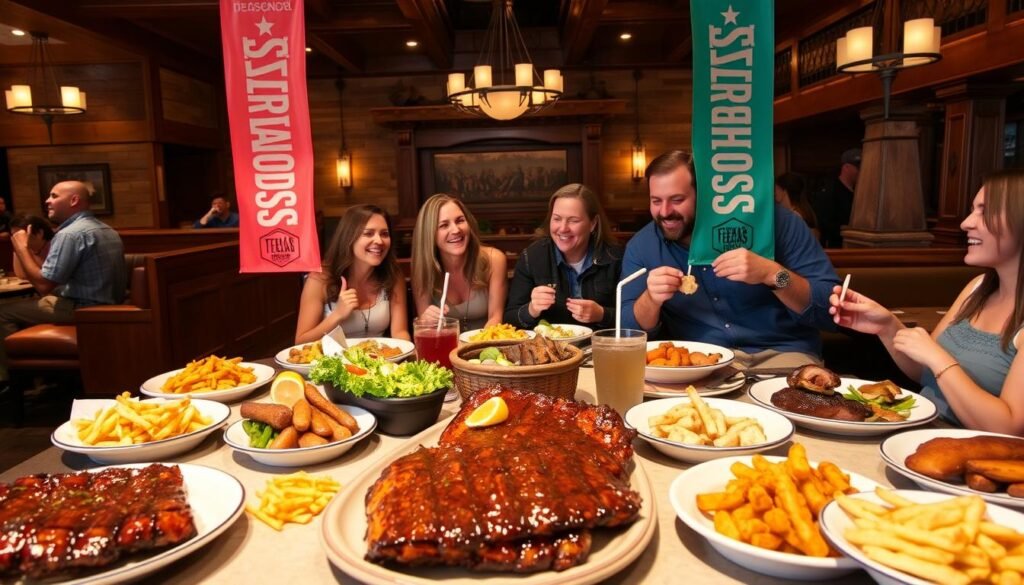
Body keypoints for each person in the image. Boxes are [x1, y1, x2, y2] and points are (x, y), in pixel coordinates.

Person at [830, 169, 1024, 433]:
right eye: (972, 210)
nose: (966, 222)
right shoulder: (977, 287)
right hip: (921, 430)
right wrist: (887, 326)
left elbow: (1008, 428)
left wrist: (939, 359)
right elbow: (925, 372)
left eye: (984, 211)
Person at [620, 150, 840, 368]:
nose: (665, 212)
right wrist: (651, 299)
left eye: (677, 200)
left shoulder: (779, 223)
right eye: (656, 201)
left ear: (704, 194)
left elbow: (827, 310)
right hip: (704, 363)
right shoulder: (643, 246)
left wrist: (772, 274)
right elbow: (627, 330)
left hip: (783, 355)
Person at [0, 180, 126, 381]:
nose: (47, 201)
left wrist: (22, 248)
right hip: (110, 305)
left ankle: (13, 381)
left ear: (74, 200)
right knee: (37, 303)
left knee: (4, 312)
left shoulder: (70, 234)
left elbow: (43, 285)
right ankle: (47, 377)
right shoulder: (106, 229)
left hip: (84, 310)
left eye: (54, 196)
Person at [504, 183, 623, 329]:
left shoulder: (615, 257)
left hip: (601, 347)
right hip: (549, 349)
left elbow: (635, 319)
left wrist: (602, 314)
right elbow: (509, 320)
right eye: (557, 219)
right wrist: (531, 309)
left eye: (573, 220)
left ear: (593, 223)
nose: (563, 228)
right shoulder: (532, 257)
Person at [294, 204, 409, 343]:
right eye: (368, 233)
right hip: (333, 362)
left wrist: (408, 351)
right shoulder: (320, 279)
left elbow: (400, 332)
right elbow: (301, 341)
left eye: (384, 234)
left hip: (379, 360)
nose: (379, 241)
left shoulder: (393, 275)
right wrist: (338, 315)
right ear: (349, 237)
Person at [411, 194, 507, 331]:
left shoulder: (494, 259)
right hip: (444, 347)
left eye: (460, 221)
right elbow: (425, 327)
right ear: (429, 234)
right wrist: (425, 321)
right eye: (444, 225)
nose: (456, 230)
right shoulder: (422, 270)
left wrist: (476, 346)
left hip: (483, 347)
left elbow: (495, 318)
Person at [810, 148, 860, 248]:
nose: (861, 171)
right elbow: (825, 224)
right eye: (858, 168)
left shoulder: (860, 191)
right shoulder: (830, 191)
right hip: (836, 248)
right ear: (846, 167)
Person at [10, 215, 55, 279]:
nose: (17, 239)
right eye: (15, 236)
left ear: (39, 233)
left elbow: (47, 276)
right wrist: (18, 249)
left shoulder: (55, 245)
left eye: (21, 235)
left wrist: (24, 249)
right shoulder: (25, 248)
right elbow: (21, 275)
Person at [775, 172, 819, 238]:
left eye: (776, 189)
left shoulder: (794, 216)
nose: (774, 193)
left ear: (784, 191)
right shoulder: (800, 212)